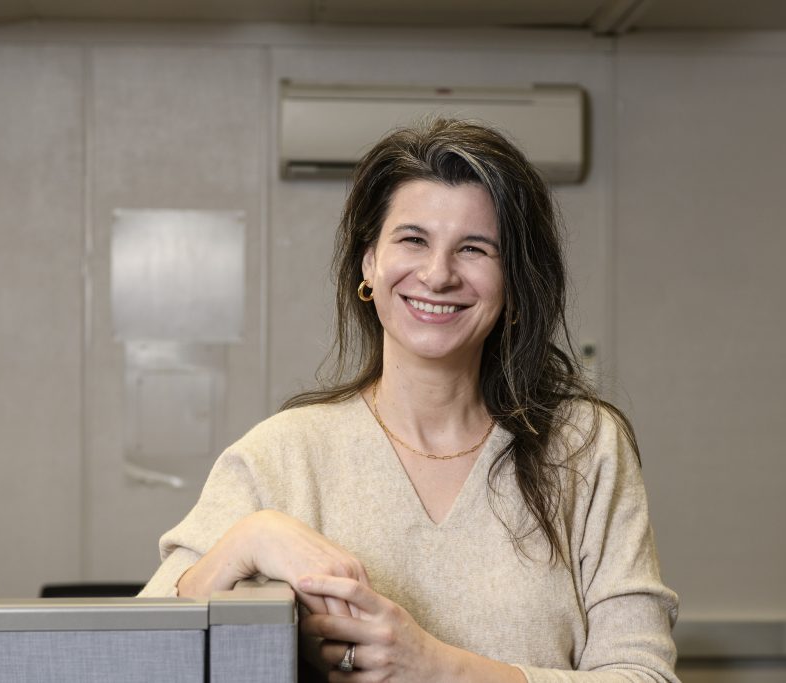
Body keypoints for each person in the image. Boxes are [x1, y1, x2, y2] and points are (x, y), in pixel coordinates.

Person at [140, 118, 679, 682]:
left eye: (474, 249)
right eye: (413, 240)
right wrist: (249, 539)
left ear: (514, 282)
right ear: (370, 262)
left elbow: (645, 677)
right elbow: (130, 656)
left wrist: (435, 667)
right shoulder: (282, 455)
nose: (438, 274)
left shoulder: (584, 448)